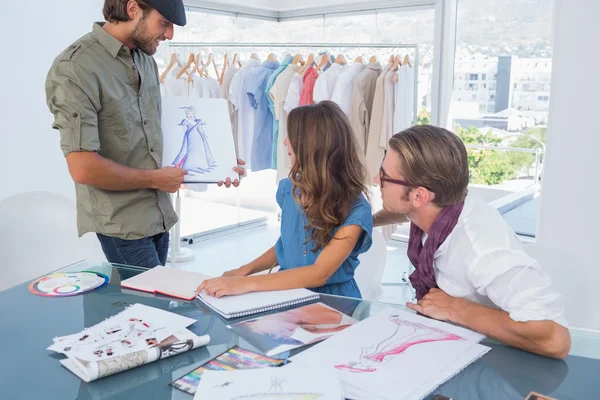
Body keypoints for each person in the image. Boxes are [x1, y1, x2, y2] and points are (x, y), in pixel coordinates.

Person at [45, 0, 244, 268]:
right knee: (148, 304)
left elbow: (155, 138)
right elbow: (83, 168)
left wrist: (218, 166)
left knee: (145, 308)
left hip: (159, 215)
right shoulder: (76, 68)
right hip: (122, 223)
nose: (171, 34)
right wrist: (155, 179)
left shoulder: (146, 61)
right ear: (132, 9)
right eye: (164, 23)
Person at [372, 125, 571, 359]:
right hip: (453, 342)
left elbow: (556, 340)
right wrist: (367, 221)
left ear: (419, 196)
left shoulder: (481, 249)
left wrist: (456, 308)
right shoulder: (445, 201)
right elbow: (407, 208)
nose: (376, 180)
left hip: (498, 360)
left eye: (384, 176)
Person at [197, 101, 373, 299]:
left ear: (312, 145)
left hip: (334, 303)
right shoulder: (290, 189)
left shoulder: (357, 210)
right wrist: (243, 270)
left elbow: (319, 273)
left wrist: (243, 284)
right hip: (286, 293)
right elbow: (288, 244)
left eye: (293, 137)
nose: (285, 142)